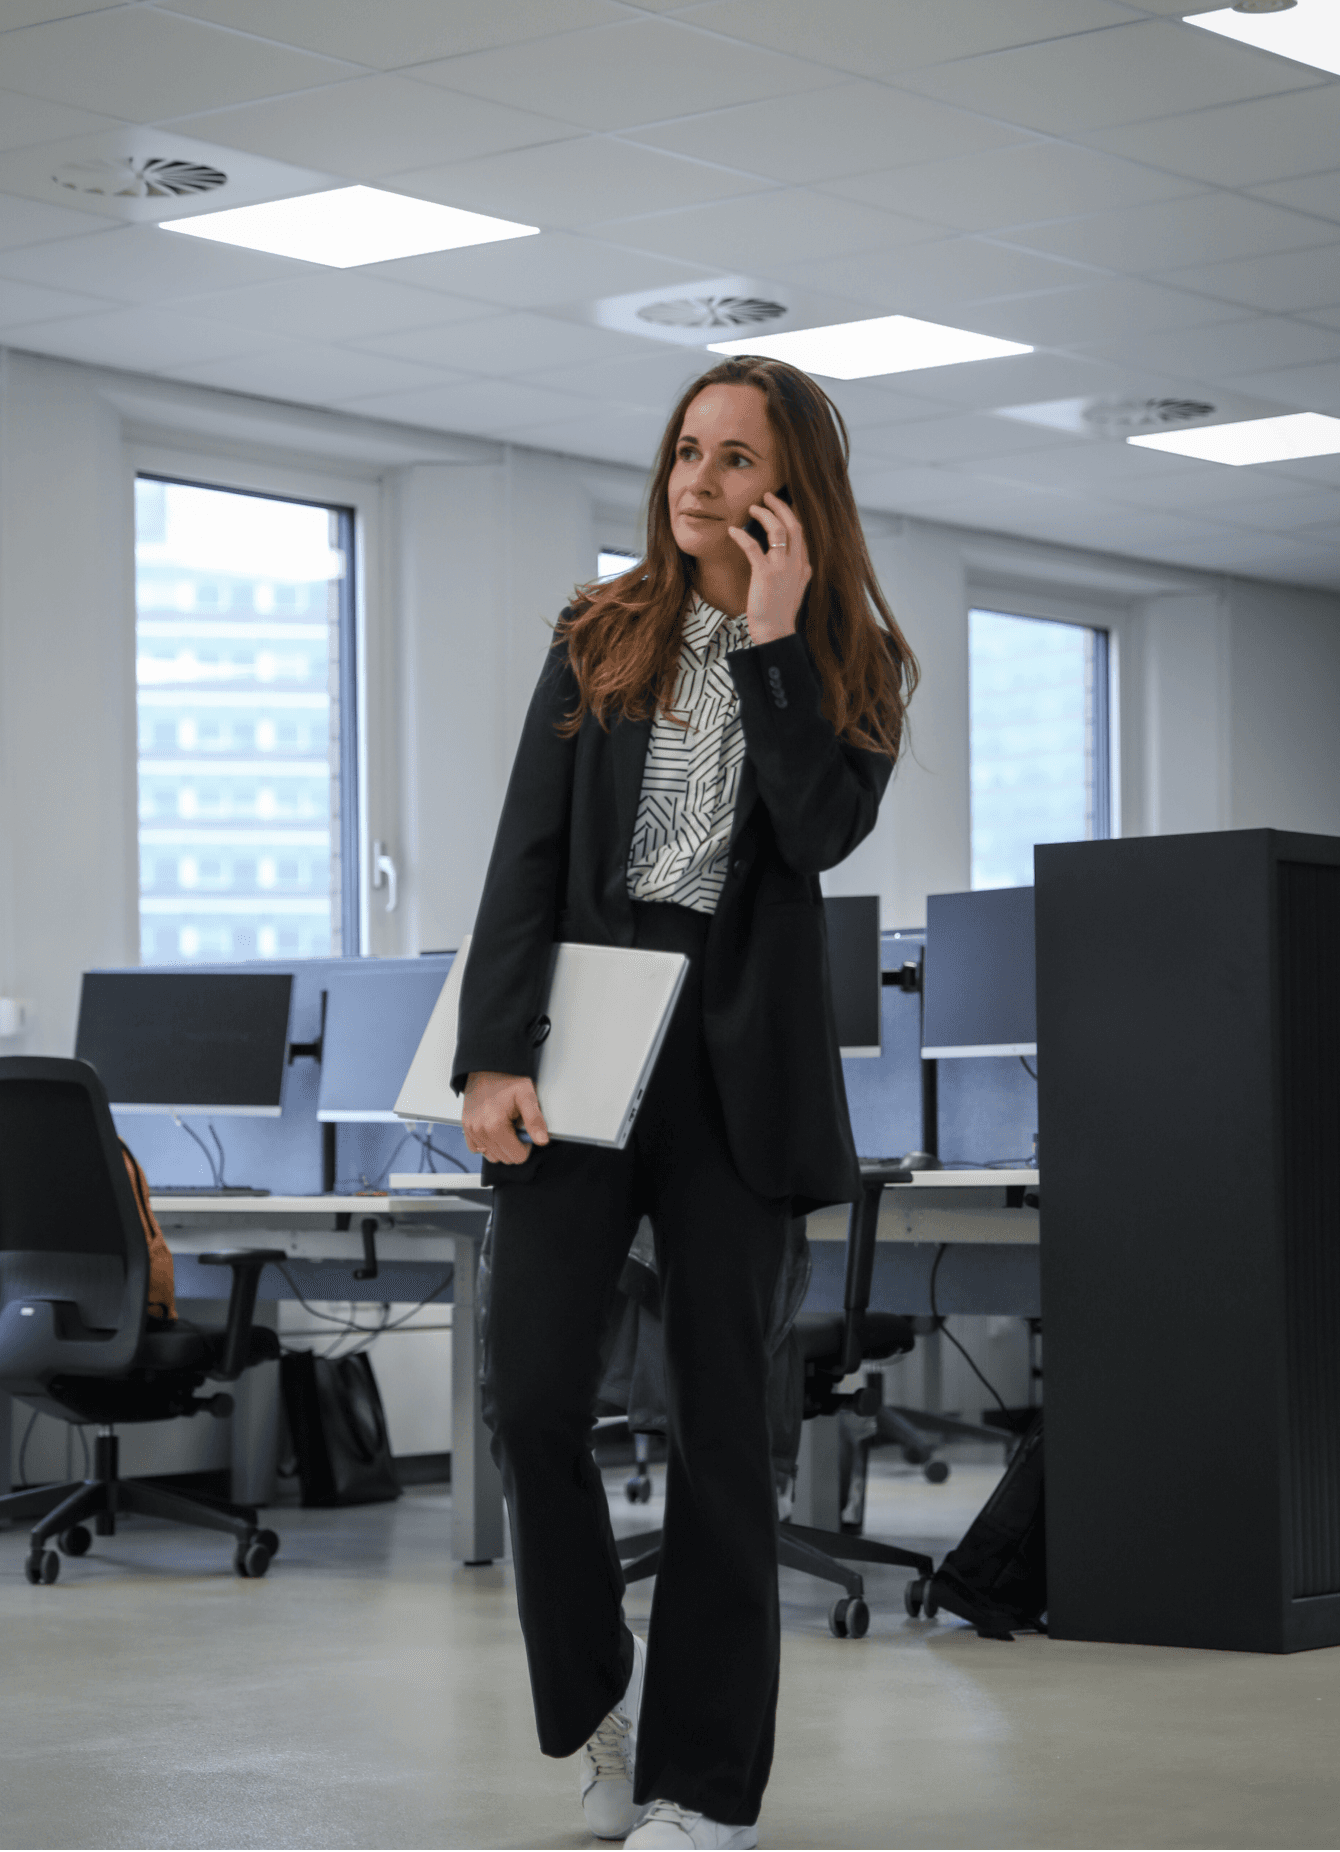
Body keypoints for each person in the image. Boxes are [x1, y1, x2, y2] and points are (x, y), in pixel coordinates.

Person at [453, 356, 918, 1851]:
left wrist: (774, 643)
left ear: (793, 493)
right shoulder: (602, 633)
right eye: (685, 453)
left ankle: (708, 1788)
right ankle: (603, 1716)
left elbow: (816, 832)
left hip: (738, 1069)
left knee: (724, 1435)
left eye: (734, 461)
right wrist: (490, 1055)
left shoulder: (854, 664)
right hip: (585, 1051)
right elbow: (526, 853)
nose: (698, 482)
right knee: (530, 1397)